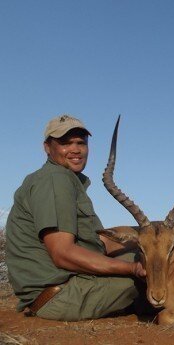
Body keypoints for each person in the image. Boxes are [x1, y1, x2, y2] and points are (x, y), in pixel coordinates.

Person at [5, 114, 149, 321]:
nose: (75, 149)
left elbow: (97, 243)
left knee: (154, 251)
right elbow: (62, 253)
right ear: (47, 147)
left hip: (61, 290)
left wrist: (149, 233)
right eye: (65, 143)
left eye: (81, 143)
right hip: (61, 296)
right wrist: (133, 269)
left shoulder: (64, 179)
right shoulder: (56, 179)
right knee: (153, 271)